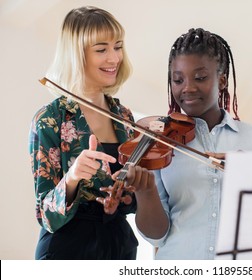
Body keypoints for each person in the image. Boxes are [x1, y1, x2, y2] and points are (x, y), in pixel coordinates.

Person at [28, 6, 168, 260]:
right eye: (101, 49)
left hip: (119, 246)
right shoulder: (49, 119)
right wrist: (71, 179)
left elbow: (134, 200)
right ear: (76, 55)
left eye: (118, 46)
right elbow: (44, 215)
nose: (114, 58)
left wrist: (126, 196)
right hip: (67, 250)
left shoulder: (125, 117)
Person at [141, 28, 252, 259]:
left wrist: (249, 172)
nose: (188, 88)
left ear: (222, 80)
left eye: (200, 77)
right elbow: (156, 237)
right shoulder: (160, 144)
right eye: (178, 79)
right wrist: (144, 191)